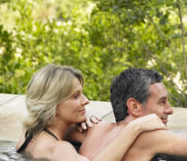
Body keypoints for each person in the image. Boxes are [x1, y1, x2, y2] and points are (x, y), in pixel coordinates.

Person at [79, 68, 187, 161]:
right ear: (135, 106)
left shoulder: (94, 129)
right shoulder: (148, 137)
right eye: (162, 102)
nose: (169, 110)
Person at [15, 64, 165, 161]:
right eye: (76, 96)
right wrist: (135, 127)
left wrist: (76, 121)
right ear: (53, 103)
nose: (85, 100)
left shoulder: (27, 137)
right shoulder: (60, 149)